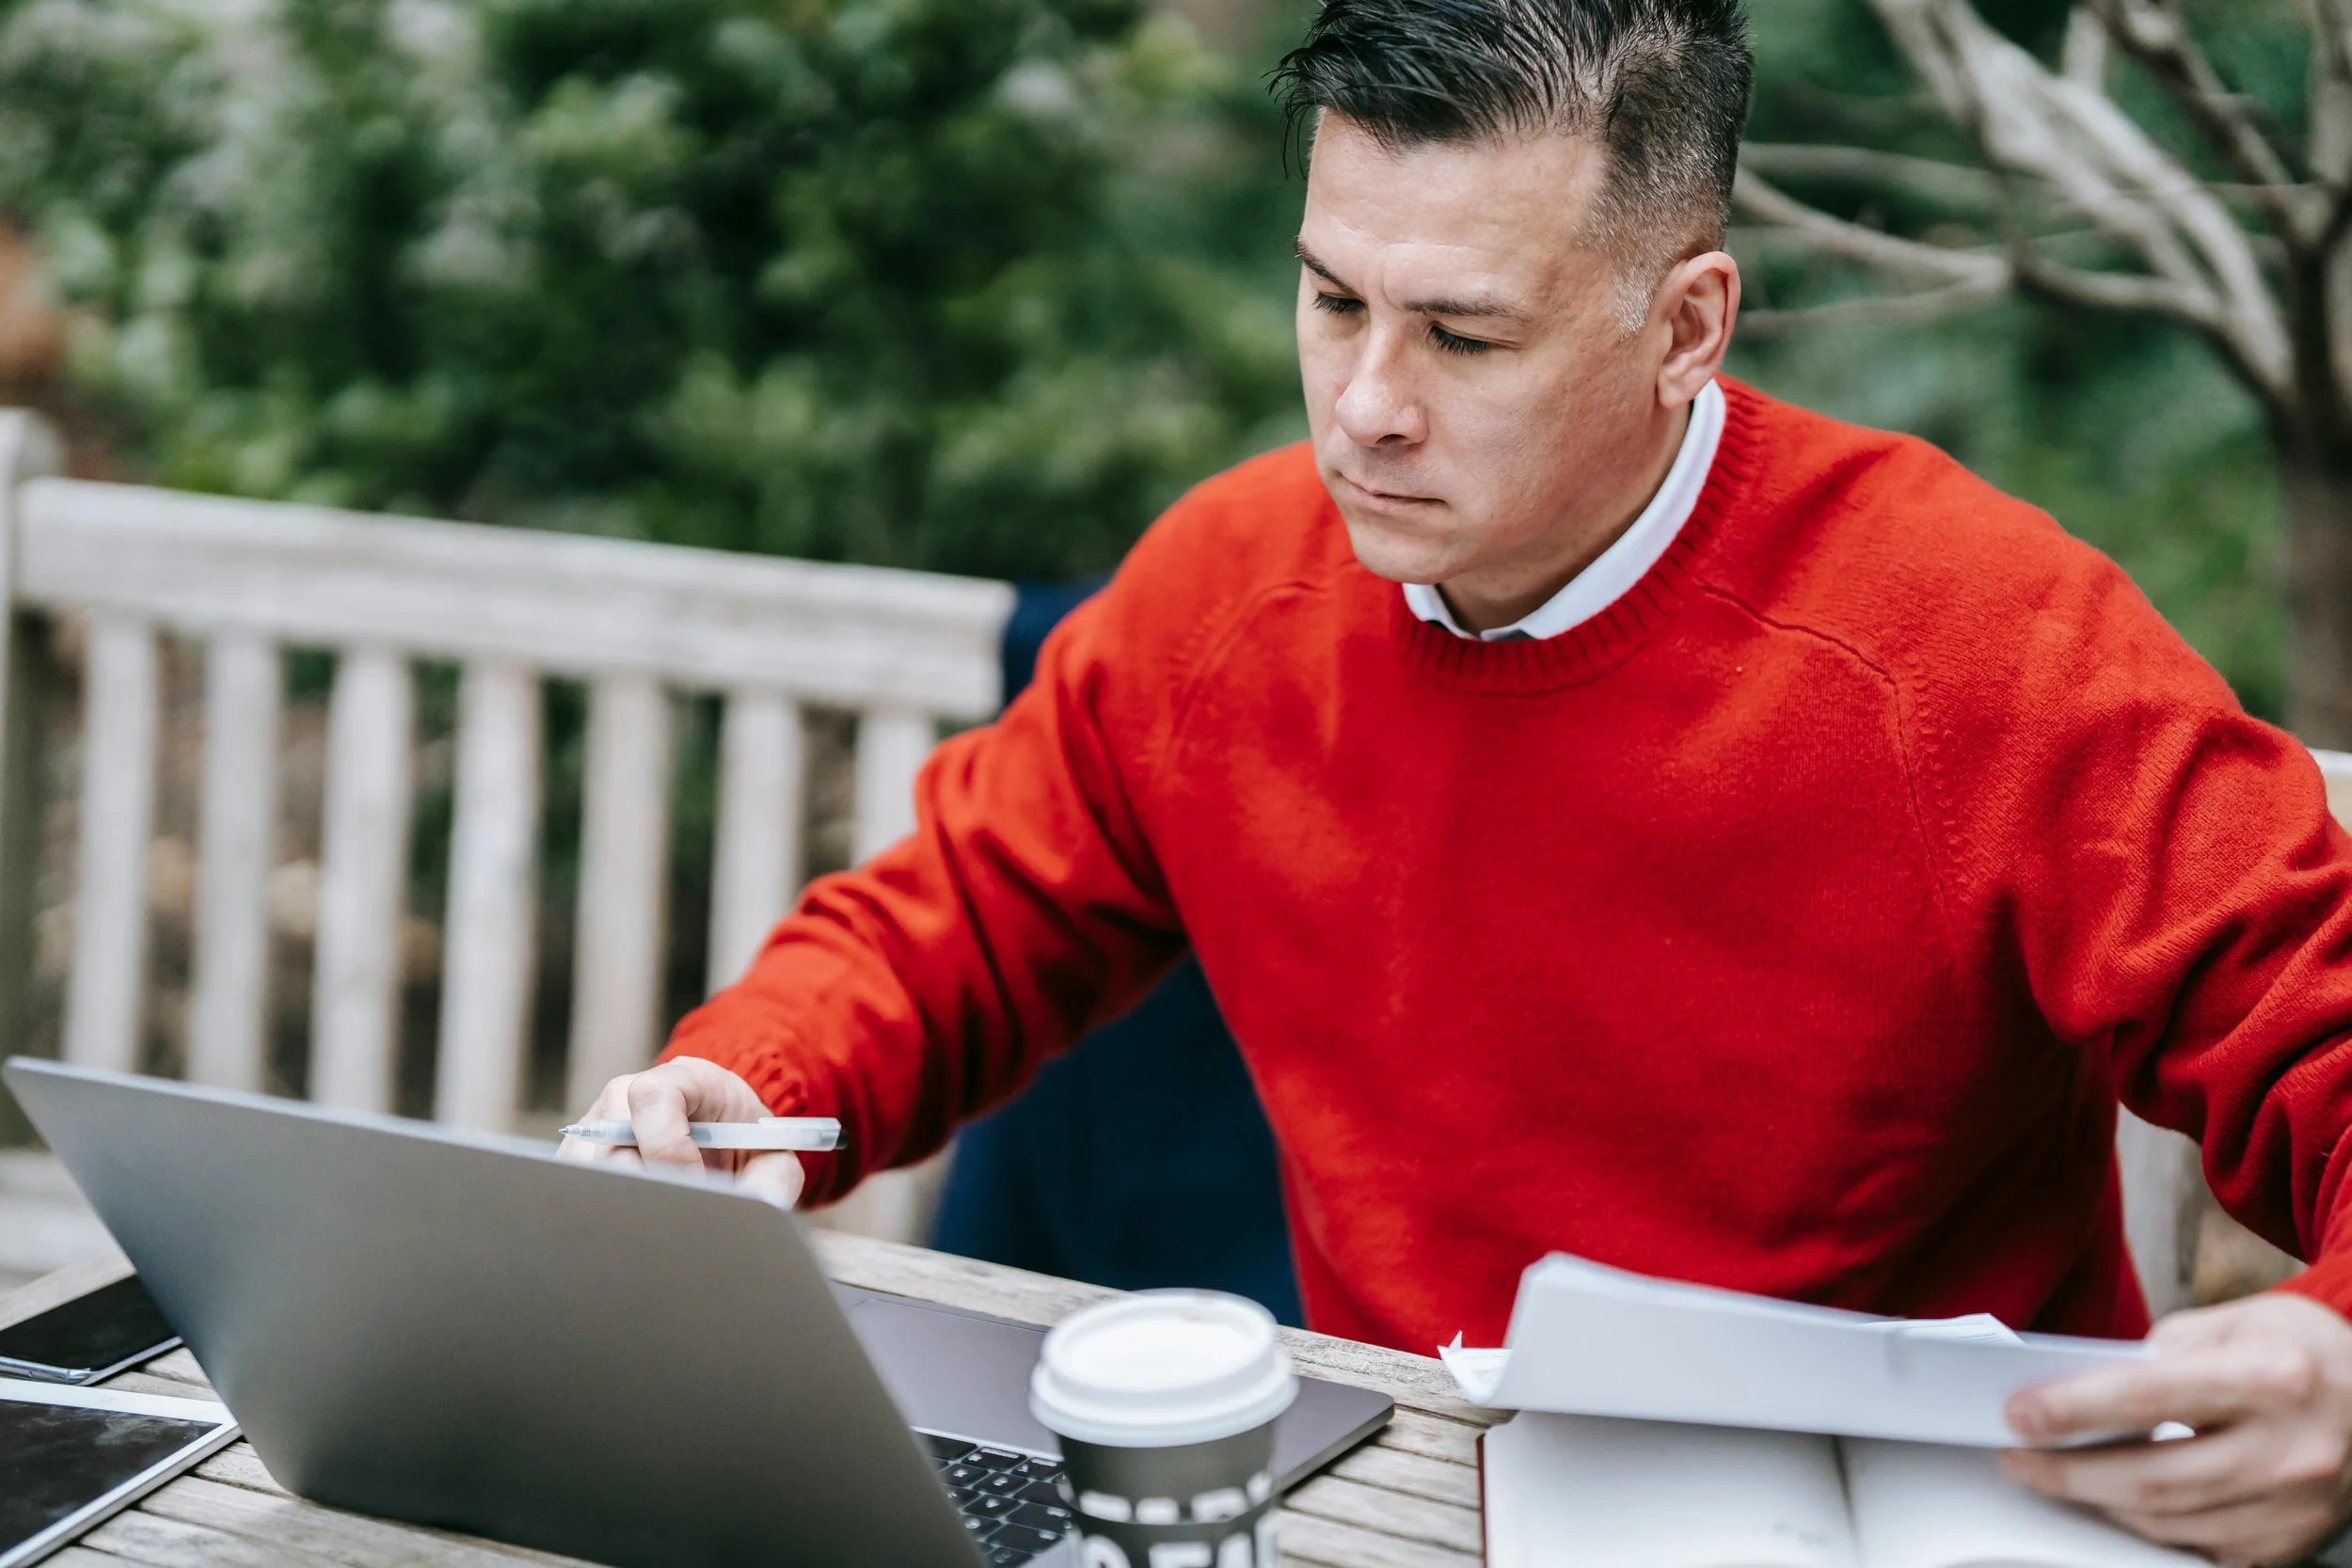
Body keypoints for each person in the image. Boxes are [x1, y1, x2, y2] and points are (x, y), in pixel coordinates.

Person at [563, 0, 2352, 1557]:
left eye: (1463, 335)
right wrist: (749, 1082)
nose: (1364, 406)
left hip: (1913, 1517)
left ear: (1687, 326)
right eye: (1333, 300)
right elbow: (956, 918)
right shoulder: (1220, 588)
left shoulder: (1977, 641)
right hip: (1403, 1496)